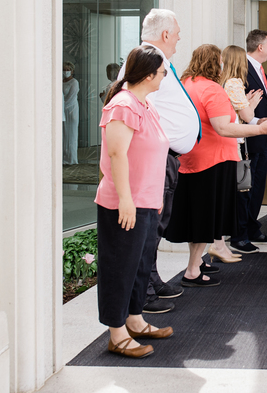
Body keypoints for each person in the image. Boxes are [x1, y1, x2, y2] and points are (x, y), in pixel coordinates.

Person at [163, 44, 267, 286]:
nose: (222, 66)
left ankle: (198, 262)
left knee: (197, 215)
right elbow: (223, 127)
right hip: (214, 159)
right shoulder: (212, 89)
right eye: (219, 61)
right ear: (213, 63)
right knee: (207, 218)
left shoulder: (186, 84)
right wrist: (260, 128)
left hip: (191, 158)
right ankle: (193, 270)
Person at [119, 8, 202, 314]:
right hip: (155, 158)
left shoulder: (158, 60)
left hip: (165, 156)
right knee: (150, 226)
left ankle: (151, 279)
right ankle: (142, 292)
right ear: (165, 34)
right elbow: (138, 106)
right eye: (177, 34)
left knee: (157, 223)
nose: (179, 40)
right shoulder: (146, 62)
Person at [94, 45, 173, 358]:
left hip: (147, 201)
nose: (165, 76)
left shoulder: (144, 103)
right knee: (120, 268)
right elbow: (116, 154)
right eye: (163, 72)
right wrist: (126, 200)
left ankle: (135, 319)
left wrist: (154, 198)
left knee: (140, 266)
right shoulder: (123, 105)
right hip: (124, 204)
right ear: (149, 74)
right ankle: (116, 333)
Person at [230, 29, 267, 254]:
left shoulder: (260, 70)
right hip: (249, 137)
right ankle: (238, 234)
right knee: (245, 185)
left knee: (257, 184)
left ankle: (251, 226)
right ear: (260, 47)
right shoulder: (242, 69)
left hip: (264, 134)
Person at [214, 44, 264, 262]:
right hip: (236, 144)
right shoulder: (234, 83)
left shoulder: (219, 82)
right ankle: (239, 237)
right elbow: (245, 114)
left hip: (225, 143)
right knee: (243, 189)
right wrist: (251, 103)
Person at [63, 61, 79, 165]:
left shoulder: (74, 82)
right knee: (64, 134)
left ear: (72, 71)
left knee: (71, 135)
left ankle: (72, 159)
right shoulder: (60, 81)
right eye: (64, 70)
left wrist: (61, 106)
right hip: (63, 110)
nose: (65, 72)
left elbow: (70, 98)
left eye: (68, 70)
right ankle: (64, 158)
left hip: (71, 110)